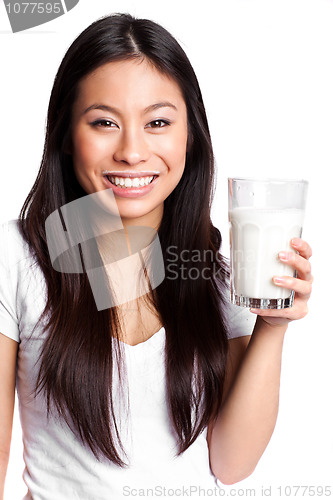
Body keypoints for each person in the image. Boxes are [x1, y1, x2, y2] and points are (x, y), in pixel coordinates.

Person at [0, 13, 313, 500]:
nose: (131, 151)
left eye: (158, 123)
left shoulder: (211, 272)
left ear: (190, 135)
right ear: (65, 133)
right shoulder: (18, 257)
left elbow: (231, 465)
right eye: (104, 122)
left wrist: (272, 328)